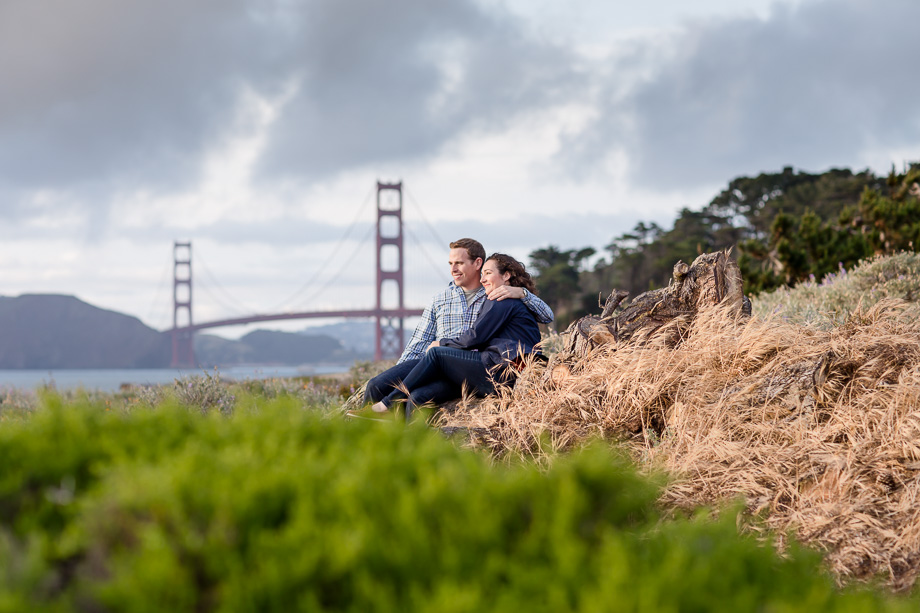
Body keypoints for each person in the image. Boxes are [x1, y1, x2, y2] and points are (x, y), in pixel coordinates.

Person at [363, 238, 553, 407]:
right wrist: (402, 372)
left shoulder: (496, 295)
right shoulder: (439, 299)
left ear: (477, 263)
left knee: (418, 397)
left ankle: (395, 420)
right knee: (375, 385)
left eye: (459, 263)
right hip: (432, 363)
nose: (453, 269)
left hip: (465, 368)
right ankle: (367, 437)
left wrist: (522, 293)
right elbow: (419, 343)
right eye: (451, 263)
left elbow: (546, 317)